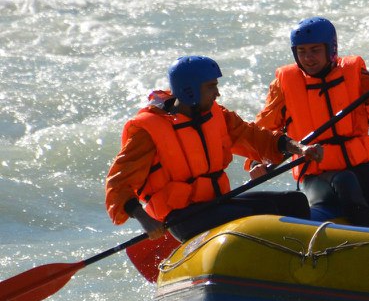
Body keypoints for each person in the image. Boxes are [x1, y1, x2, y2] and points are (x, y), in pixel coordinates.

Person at [252, 16, 369, 229]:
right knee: (345, 181)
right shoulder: (285, 84)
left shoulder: (354, 74)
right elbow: (261, 131)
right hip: (317, 178)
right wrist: (256, 163)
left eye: (315, 50)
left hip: (361, 170)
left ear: (331, 49)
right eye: (302, 51)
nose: (308, 58)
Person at [105, 56, 322, 242]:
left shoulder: (217, 115)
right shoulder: (148, 131)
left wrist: (300, 148)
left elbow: (256, 136)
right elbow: (118, 184)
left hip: (216, 204)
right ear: (190, 91)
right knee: (256, 215)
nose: (217, 93)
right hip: (182, 218)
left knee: (294, 202)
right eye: (211, 87)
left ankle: (306, 260)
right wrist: (145, 220)